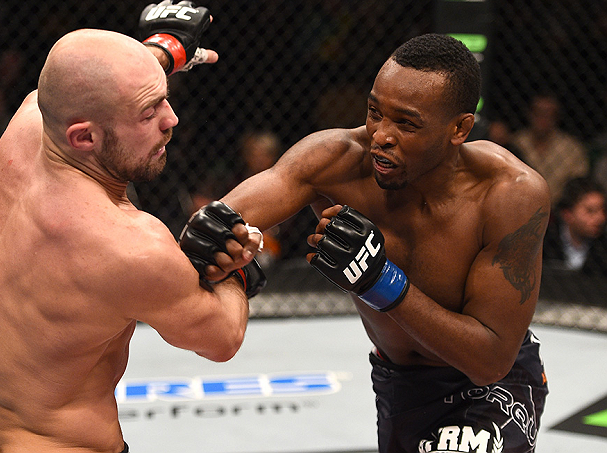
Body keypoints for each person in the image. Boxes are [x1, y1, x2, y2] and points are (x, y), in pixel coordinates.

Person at [186, 34, 551, 452]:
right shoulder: (335, 159)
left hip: (491, 387)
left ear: (459, 128)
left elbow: (489, 361)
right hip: (398, 383)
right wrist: (217, 246)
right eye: (375, 112)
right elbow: (216, 225)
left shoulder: (509, 193)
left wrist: (379, 281)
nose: (381, 135)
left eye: (406, 123)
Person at [0, 1, 263, 453]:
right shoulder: (127, 245)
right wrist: (236, 267)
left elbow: (92, 85)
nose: (171, 120)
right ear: (84, 137)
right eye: (148, 114)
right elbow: (222, 337)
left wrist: (164, 50)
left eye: (165, 98)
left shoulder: (28, 124)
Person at [510, 93, 589, 205]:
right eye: (538, 113)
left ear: (557, 117)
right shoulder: (517, 143)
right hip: (520, 204)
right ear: (529, 114)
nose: (543, 118)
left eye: (549, 114)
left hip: (560, 210)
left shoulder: (572, 149)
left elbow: (579, 186)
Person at [543, 176, 607, 275]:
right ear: (567, 214)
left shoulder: (602, 247)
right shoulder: (546, 241)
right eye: (590, 211)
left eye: (603, 211)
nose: (600, 218)